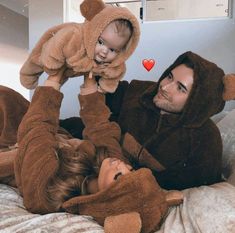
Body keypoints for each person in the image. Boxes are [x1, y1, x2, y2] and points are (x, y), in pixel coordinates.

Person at [0, 69, 183, 233]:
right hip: (49, 130)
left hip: (15, 140)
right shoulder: (111, 164)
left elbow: (36, 131)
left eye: (119, 176)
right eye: (131, 170)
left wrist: (55, 79)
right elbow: (100, 127)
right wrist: (89, 83)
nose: (123, 165)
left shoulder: (47, 194)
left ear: (106, 199)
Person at [60, 51, 228, 190]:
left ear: (196, 103)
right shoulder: (145, 91)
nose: (164, 86)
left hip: (109, 178)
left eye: (180, 88)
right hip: (95, 146)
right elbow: (104, 95)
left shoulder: (205, 140)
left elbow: (197, 189)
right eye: (169, 76)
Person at [20, 0, 140, 93]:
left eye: (112, 49)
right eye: (101, 42)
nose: (104, 52)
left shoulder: (114, 64)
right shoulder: (73, 35)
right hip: (58, 56)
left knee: (81, 85)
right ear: (94, 33)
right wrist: (52, 66)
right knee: (42, 66)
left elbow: (114, 76)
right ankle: (27, 76)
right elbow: (53, 48)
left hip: (80, 69)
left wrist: (104, 88)